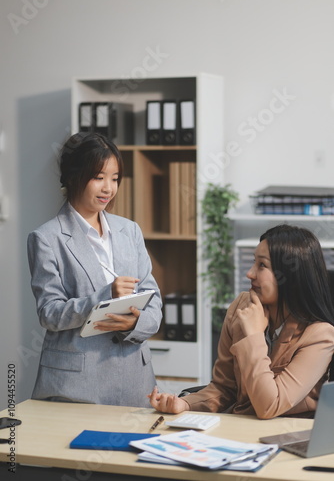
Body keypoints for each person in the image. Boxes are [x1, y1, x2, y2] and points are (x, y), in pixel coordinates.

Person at [27, 132, 162, 407]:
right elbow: (49, 313)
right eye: (99, 177)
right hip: (77, 386)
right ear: (74, 176)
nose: (108, 189)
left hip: (135, 379)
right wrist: (103, 297)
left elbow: (153, 298)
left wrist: (136, 323)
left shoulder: (129, 230)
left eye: (114, 179)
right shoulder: (47, 238)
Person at [149, 224, 334, 418]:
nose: (250, 273)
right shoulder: (241, 307)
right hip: (240, 426)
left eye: (262, 265)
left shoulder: (320, 335)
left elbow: (269, 406)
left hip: (287, 432)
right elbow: (224, 388)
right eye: (254, 262)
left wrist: (253, 336)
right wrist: (185, 404)